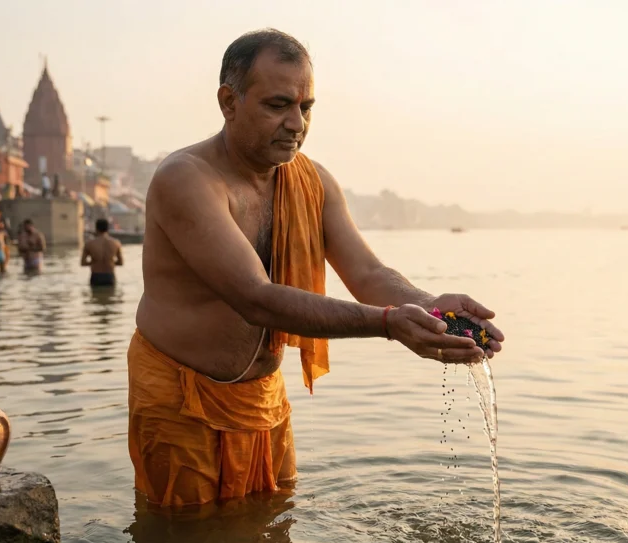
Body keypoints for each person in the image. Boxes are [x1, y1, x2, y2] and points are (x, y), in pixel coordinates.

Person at [128, 29, 505, 508]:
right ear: (228, 102)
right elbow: (255, 297)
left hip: (264, 397)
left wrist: (430, 307)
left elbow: (368, 273)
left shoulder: (312, 181)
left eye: (305, 108)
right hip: (179, 400)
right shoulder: (186, 179)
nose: (296, 124)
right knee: (184, 541)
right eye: (277, 105)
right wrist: (389, 324)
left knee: (266, 529)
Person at [82, 218, 123, 287]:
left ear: (96, 228)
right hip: (109, 276)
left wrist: (95, 262)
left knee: (95, 296)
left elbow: (83, 263)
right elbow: (120, 263)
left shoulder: (89, 244)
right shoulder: (116, 243)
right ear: (107, 228)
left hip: (96, 276)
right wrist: (110, 261)